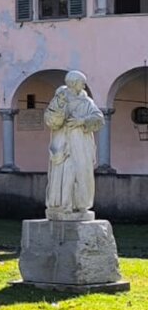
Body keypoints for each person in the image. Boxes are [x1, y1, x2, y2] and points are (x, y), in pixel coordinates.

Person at [44, 71, 105, 217]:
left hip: (82, 145)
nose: (84, 86)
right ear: (73, 83)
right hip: (63, 143)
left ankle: (81, 204)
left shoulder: (86, 101)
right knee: (65, 172)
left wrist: (82, 121)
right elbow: (51, 121)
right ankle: (62, 205)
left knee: (83, 172)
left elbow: (99, 119)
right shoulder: (60, 99)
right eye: (82, 83)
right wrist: (60, 107)